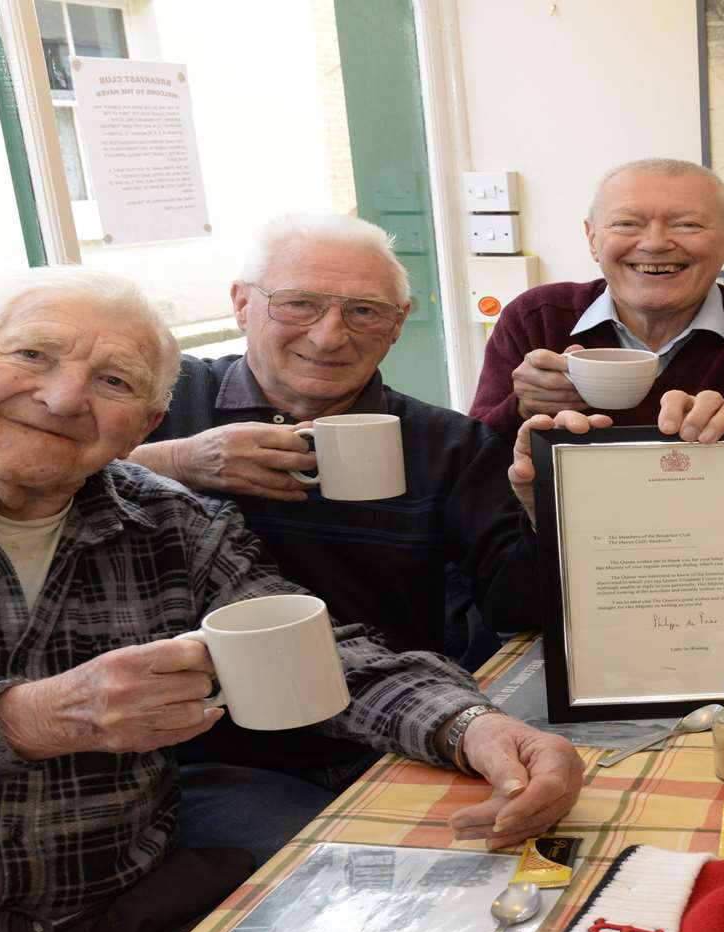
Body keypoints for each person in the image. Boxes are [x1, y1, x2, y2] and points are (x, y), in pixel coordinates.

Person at [0, 269, 583, 932]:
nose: (65, 399)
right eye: (32, 354)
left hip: (128, 927)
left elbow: (324, 650)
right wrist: (23, 719)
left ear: (148, 419)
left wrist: (474, 725)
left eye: (112, 381)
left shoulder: (170, 520)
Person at [126, 212, 538, 860]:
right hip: (219, 754)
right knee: (340, 876)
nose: (328, 335)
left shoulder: (446, 443)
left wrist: (538, 510)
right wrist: (179, 461)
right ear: (241, 304)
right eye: (300, 304)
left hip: (401, 721)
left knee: (503, 859)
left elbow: (518, 608)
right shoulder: (162, 407)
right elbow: (28, 475)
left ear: (398, 326)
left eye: (364, 312)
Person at [468, 160, 724, 444]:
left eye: (687, 225)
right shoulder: (536, 319)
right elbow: (472, 461)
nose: (656, 243)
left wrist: (721, 432)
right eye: (627, 224)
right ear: (593, 238)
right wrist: (521, 407)